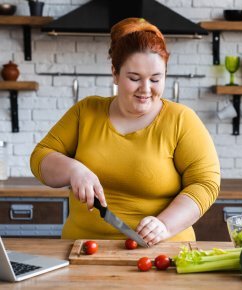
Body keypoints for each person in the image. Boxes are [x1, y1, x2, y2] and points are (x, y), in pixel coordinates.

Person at [30, 17, 220, 246]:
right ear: (115, 73)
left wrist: (165, 225)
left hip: (162, 252)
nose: (146, 89)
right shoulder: (86, 112)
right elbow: (40, 156)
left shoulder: (181, 120)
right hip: (81, 249)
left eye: (156, 79)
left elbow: (205, 184)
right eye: (134, 78)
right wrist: (73, 169)